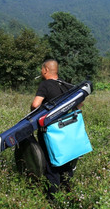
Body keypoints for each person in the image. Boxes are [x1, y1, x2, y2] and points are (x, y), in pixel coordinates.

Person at [31, 59, 79, 196]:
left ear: (45, 70)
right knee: (66, 161)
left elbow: (35, 105)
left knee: (50, 163)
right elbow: (79, 105)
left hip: (49, 131)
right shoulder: (66, 85)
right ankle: (68, 193)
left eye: (41, 69)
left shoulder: (45, 85)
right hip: (67, 129)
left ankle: (53, 198)